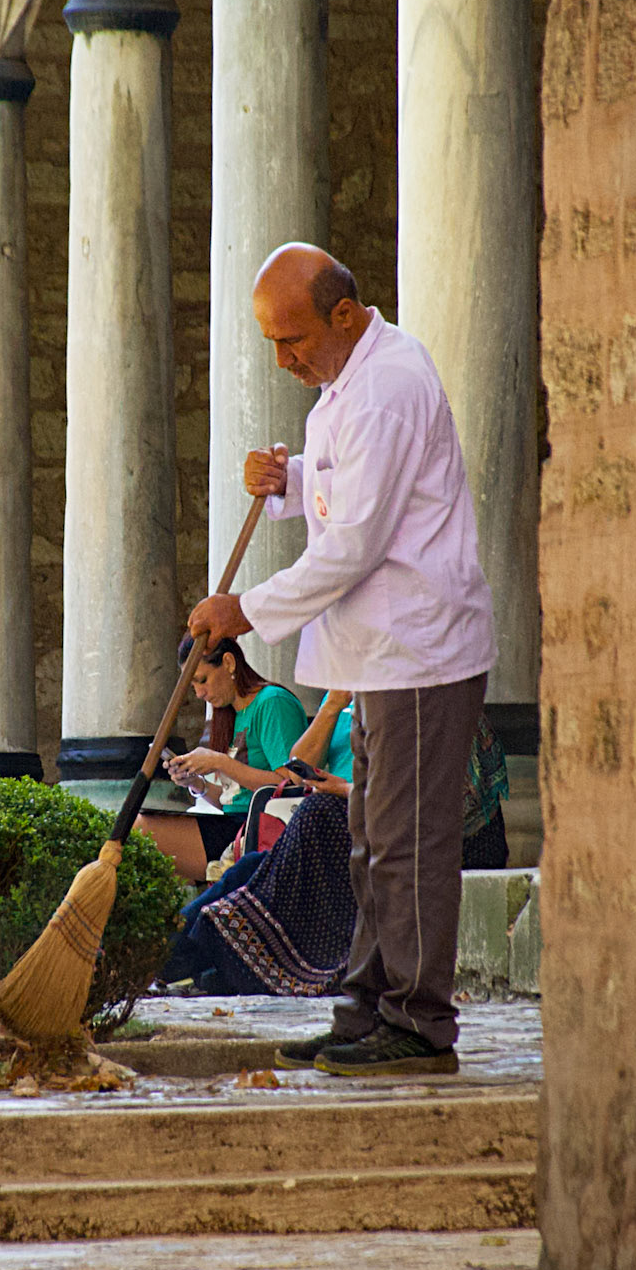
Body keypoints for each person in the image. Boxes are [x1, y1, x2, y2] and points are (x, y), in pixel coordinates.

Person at [187, 242, 496, 1077]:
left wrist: (243, 610)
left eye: (292, 340)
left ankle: (418, 1025)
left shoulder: (387, 387)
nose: (283, 360)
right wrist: (286, 482)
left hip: (419, 652)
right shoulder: (342, 386)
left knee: (408, 843)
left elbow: (355, 544)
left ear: (346, 317)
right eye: (271, 346)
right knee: (368, 838)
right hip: (377, 655)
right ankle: (366, 1009)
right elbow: (342, 499)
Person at [163, 701, 510, 997]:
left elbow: (439, 807)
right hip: (366, 827)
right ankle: (168, 948)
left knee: (316, 819)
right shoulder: (354, 698)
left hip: (436, 844)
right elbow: (295, 766)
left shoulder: (436, 708)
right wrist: (333, 705)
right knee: (254, 864)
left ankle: (185, 952)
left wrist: (347, 791)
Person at [135, 635, 307, 883]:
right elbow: (232, 799)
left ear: (228, 662)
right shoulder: (231, 715)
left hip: (260, 831)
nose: (199, 693)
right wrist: (197, 784)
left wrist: (220, 762)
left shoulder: (272, 703)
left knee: (141, 829)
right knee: (140, 831)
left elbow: (291, 785)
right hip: (234, 824)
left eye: (202, 680)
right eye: (192, 686)